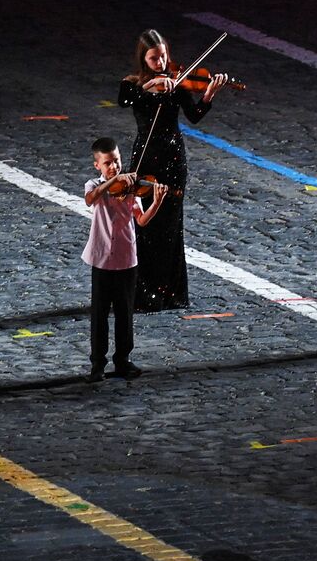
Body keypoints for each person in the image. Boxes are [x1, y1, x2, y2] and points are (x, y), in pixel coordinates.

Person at [118, 29, 228, 311]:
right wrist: (149, 86)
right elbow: (126, 100)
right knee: (144, 225)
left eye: (163, 56)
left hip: (173, 159)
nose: (161, 63)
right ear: (144, 59)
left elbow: (193, 117)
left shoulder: (176, 84)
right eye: (154, 58)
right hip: (145, 158)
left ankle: (170, 292)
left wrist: (208, 96)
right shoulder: (131, 85)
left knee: (170, 226)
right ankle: (143, 292)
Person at [82, 137, 166, 383]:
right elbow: (90, 199)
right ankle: (97, 364)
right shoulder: (95, 185)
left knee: (124, 314)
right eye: (108, 163)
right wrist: (112, 181)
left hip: (127, 260)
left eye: (116, 161)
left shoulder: (130, 188)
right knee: (99, 316)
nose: (114, 167)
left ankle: (123, 360)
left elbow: (140, 220)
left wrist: (157, 201)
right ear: (98, 165)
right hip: (102, 260)